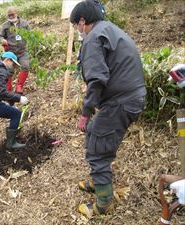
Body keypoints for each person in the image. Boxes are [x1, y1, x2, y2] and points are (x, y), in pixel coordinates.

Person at [70, 0, 146, 216]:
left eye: (76, 25)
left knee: (97, 150)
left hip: (120, 101)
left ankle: (103, 203)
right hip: (131, 97)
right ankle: (98, 180)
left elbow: (96, 79)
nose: (77, 30)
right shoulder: (110, 29)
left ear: (83, 21)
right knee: (97, 132)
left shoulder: (93, 37)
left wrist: (85, 113)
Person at [0, 6, 30, 94]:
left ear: (16, 13)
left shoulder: (25, 24)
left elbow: (31, 35)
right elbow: (0, 36)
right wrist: (2, 40)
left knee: (25, 66)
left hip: (22, 51)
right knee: (8, 69)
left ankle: (19, 86)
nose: (11, 17)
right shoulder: (5, 25)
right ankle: (8, 89)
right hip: (10, 52)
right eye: (9, 15)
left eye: (12, 14)